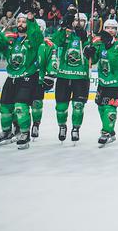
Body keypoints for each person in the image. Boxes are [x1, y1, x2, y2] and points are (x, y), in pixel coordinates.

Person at [0, 5, 43, 150]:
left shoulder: (33, 39)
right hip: (11, 77)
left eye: (24, 22)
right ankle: (7, 132)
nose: (21, 24)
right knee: (5, 107)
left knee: (20, 106)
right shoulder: (9, 38)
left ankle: (25, 133)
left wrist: (31, 17)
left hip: (27, 77)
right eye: (19, 21)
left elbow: (37, 34)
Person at [51, 8, 92, 143]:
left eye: (81, 21)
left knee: (78, 106)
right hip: (63, 76)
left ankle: (76, 128)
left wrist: (85, 39)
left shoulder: (91, 36)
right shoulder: (66, 34)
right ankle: (62, 126)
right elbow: (55, 41)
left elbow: (93, 56)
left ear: (86, 23)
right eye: (75, 20)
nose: (77, 23)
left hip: (81, 78)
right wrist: (63, 26)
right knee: (61, 107)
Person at [87, 19, 118, 146]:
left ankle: (105, 132)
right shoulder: (99, 42)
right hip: (103, 82)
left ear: (117, 30)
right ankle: (111, 131)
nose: (110, 30)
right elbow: (93, 61)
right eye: (108, 28)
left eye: (113, 28)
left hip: (117, 82)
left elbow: (116, 59)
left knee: (110, 107)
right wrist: (89, 53)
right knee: (101, 106)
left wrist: (109, 44)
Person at [31, 18, 54, 139]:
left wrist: (50, 75)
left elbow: (51, 60)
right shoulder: (22, 41)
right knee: (16, 104)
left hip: (38, 79)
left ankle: (36, 124)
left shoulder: (48, 44)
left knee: (37, 103)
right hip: (22, 78)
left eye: (39, 27)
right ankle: (17, 126)